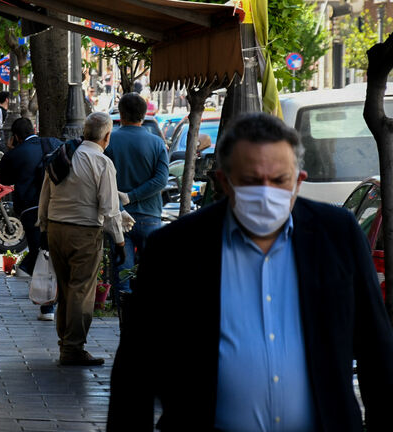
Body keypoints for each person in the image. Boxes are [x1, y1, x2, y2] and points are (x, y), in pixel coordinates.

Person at [108, 112, 393, 431]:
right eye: (251, 180)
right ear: (223, 182)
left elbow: (377, 352)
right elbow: (136, 369)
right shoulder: (175, 248)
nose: (266, 191)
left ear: (298, 180)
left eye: (279, 179)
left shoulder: (338, 236)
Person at [38, 112, 125, 366]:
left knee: (66, 290)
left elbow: (45, 194)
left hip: (56, 228)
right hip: (84, 232)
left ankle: (67, 344)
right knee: (80, 293)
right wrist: (119, 242)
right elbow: (110, 210)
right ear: (107, 137)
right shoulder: (101, 162)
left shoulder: (63, 155)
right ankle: (72, 349)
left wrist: (44, 225)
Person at [0, 118, 62, 321]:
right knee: (53, 253)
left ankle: (47, 307)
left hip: (31, 209)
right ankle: (31, 276)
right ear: (34, 129)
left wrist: (10, 151)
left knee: (42, 252)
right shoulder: (53, 143)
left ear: (15, 137)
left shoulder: (16, 154)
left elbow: (2, 179)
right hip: (58, 206)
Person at [104, 93, 168, 301]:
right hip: (150, 214)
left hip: (118, 216)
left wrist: (127, 198)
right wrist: (133, 196)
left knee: (123, 270)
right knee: (153, 273)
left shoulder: (109, 141)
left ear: (120, 114)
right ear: (144, 114)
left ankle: (125, 319)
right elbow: (161, 180)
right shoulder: (157, 143)